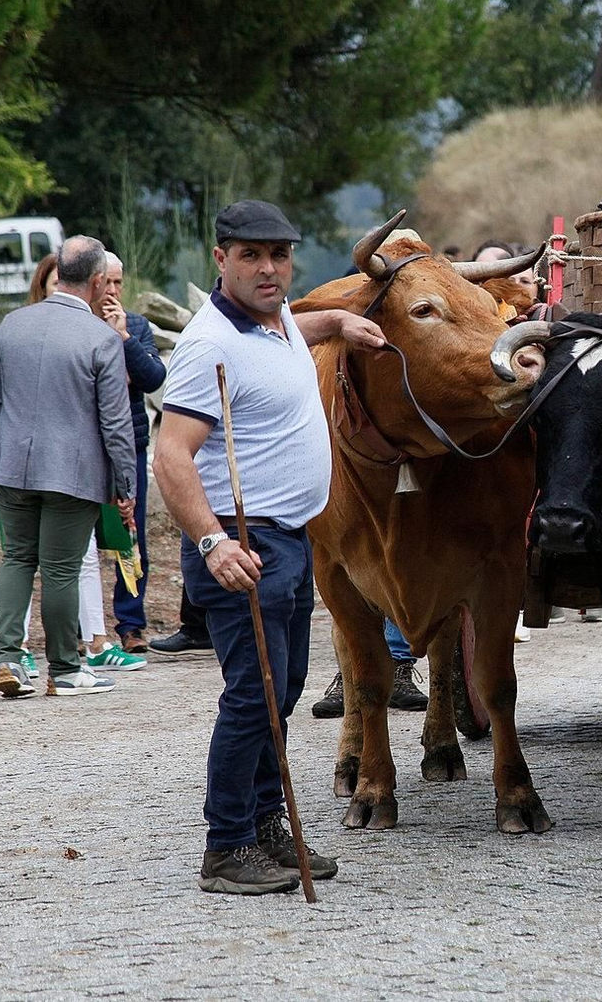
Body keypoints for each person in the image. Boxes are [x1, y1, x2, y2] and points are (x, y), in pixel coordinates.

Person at [155, 199, 384, 895]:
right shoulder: (209, 346)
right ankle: (226, 847)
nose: (268, 268)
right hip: (241, 543)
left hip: (287, 537)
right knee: (254, 696)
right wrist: (212, 541)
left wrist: (338, 319)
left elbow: (295, 323)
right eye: (251, 255)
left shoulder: (272, 319)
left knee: (279, 690)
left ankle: (263, 828)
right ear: (220, 259)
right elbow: (171, 453)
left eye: (279, 255)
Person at [0, 235, 137, 698]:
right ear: (96, 282)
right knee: (61, 570)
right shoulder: (101, 339)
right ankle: (66, 670)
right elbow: (115, 421)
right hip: (73, 473)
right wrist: (125, 482)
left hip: (11, 466)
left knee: (15, 560)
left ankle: (9, 659)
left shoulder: (10, 325)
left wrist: (1, 455)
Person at [99, 251, 166, 652]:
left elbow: (152, 377)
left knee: (129, 533)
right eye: (105, 282)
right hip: (86, 449)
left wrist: (124, 339)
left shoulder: (137, 325)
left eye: (118, 283)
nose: (111, 291)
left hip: (132, 443)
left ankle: (130, 622)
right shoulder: (77, 326)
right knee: (86, 536)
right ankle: (82, 625)